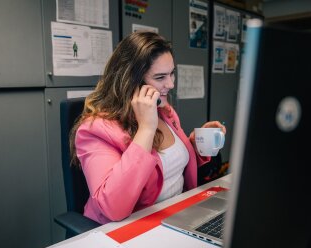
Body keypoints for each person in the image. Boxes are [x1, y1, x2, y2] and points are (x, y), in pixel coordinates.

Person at [69, 31, 226, 224]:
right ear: (131, 81)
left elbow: (171, 164)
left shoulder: (164, 110)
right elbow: (113, 208)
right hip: (127, 232)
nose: (170, 84)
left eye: (171, 74)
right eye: (160, 77)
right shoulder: (95, 130)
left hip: (175, 217)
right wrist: (145, 129)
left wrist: (196, 144)